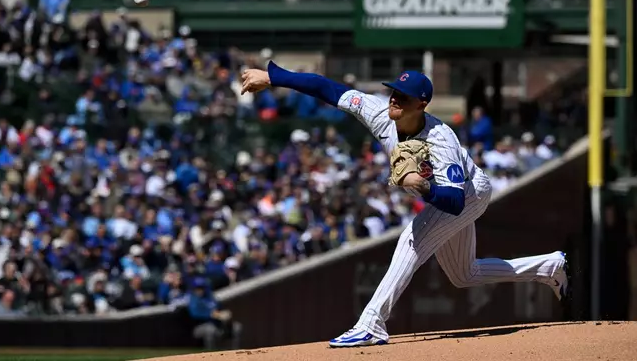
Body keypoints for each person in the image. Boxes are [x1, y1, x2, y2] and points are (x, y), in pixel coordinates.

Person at [240, 62, 569, 347]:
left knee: (411, 239)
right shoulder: (379, 112)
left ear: (422, 104)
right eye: (393, 91)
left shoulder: (441, 140)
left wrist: (422, 186)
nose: (394, 99)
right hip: (449, 194)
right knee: (464, 275)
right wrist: (272, 77)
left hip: (468, 192)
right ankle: (548, 267)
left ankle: (372, 323)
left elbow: (454, 202)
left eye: (403, 96)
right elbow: (326, 87)